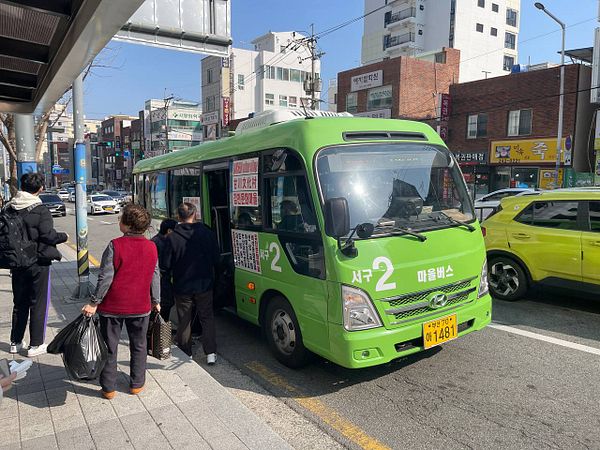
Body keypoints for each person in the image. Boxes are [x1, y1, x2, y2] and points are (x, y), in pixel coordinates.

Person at [81, 204, 160, 400]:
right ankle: (136, 384)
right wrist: (156, 300)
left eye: (120, 218)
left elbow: (105, 278)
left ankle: (108, 388)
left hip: (112, 307)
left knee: (109, 346)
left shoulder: (115, 245)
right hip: (141, 306)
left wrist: (94, 302)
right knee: (139, 345)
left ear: (127, 224)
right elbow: (155, 275)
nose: (119, 221)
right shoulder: (152, 246)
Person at [7, 173, 67, 357]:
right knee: (39, 302)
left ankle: (15, 342)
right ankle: (36, 345)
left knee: (20, 302)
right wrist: (63, 236)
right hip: (38, 262)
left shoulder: (8, 208)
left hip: (16, 262)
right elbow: (48, 235)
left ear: (22, 186)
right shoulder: (40, 209)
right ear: (40, 188)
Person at [161, 202, 219, 363]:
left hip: (182, 285)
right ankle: (211, 353)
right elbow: (216, 258)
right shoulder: (206, 233)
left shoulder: (172, 237)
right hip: (204, 283)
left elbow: (165, 265)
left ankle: (186, 352)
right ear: (195, 214)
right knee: (206, 317)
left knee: (184, 319)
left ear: (178, 216)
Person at [151, 218, 178, 323]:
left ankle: (161, 326)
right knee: (164, 304)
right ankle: (160, 327)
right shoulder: (161, 243)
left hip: (163, 278)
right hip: (161, 278)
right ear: (169, 231)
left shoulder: (155, 240)